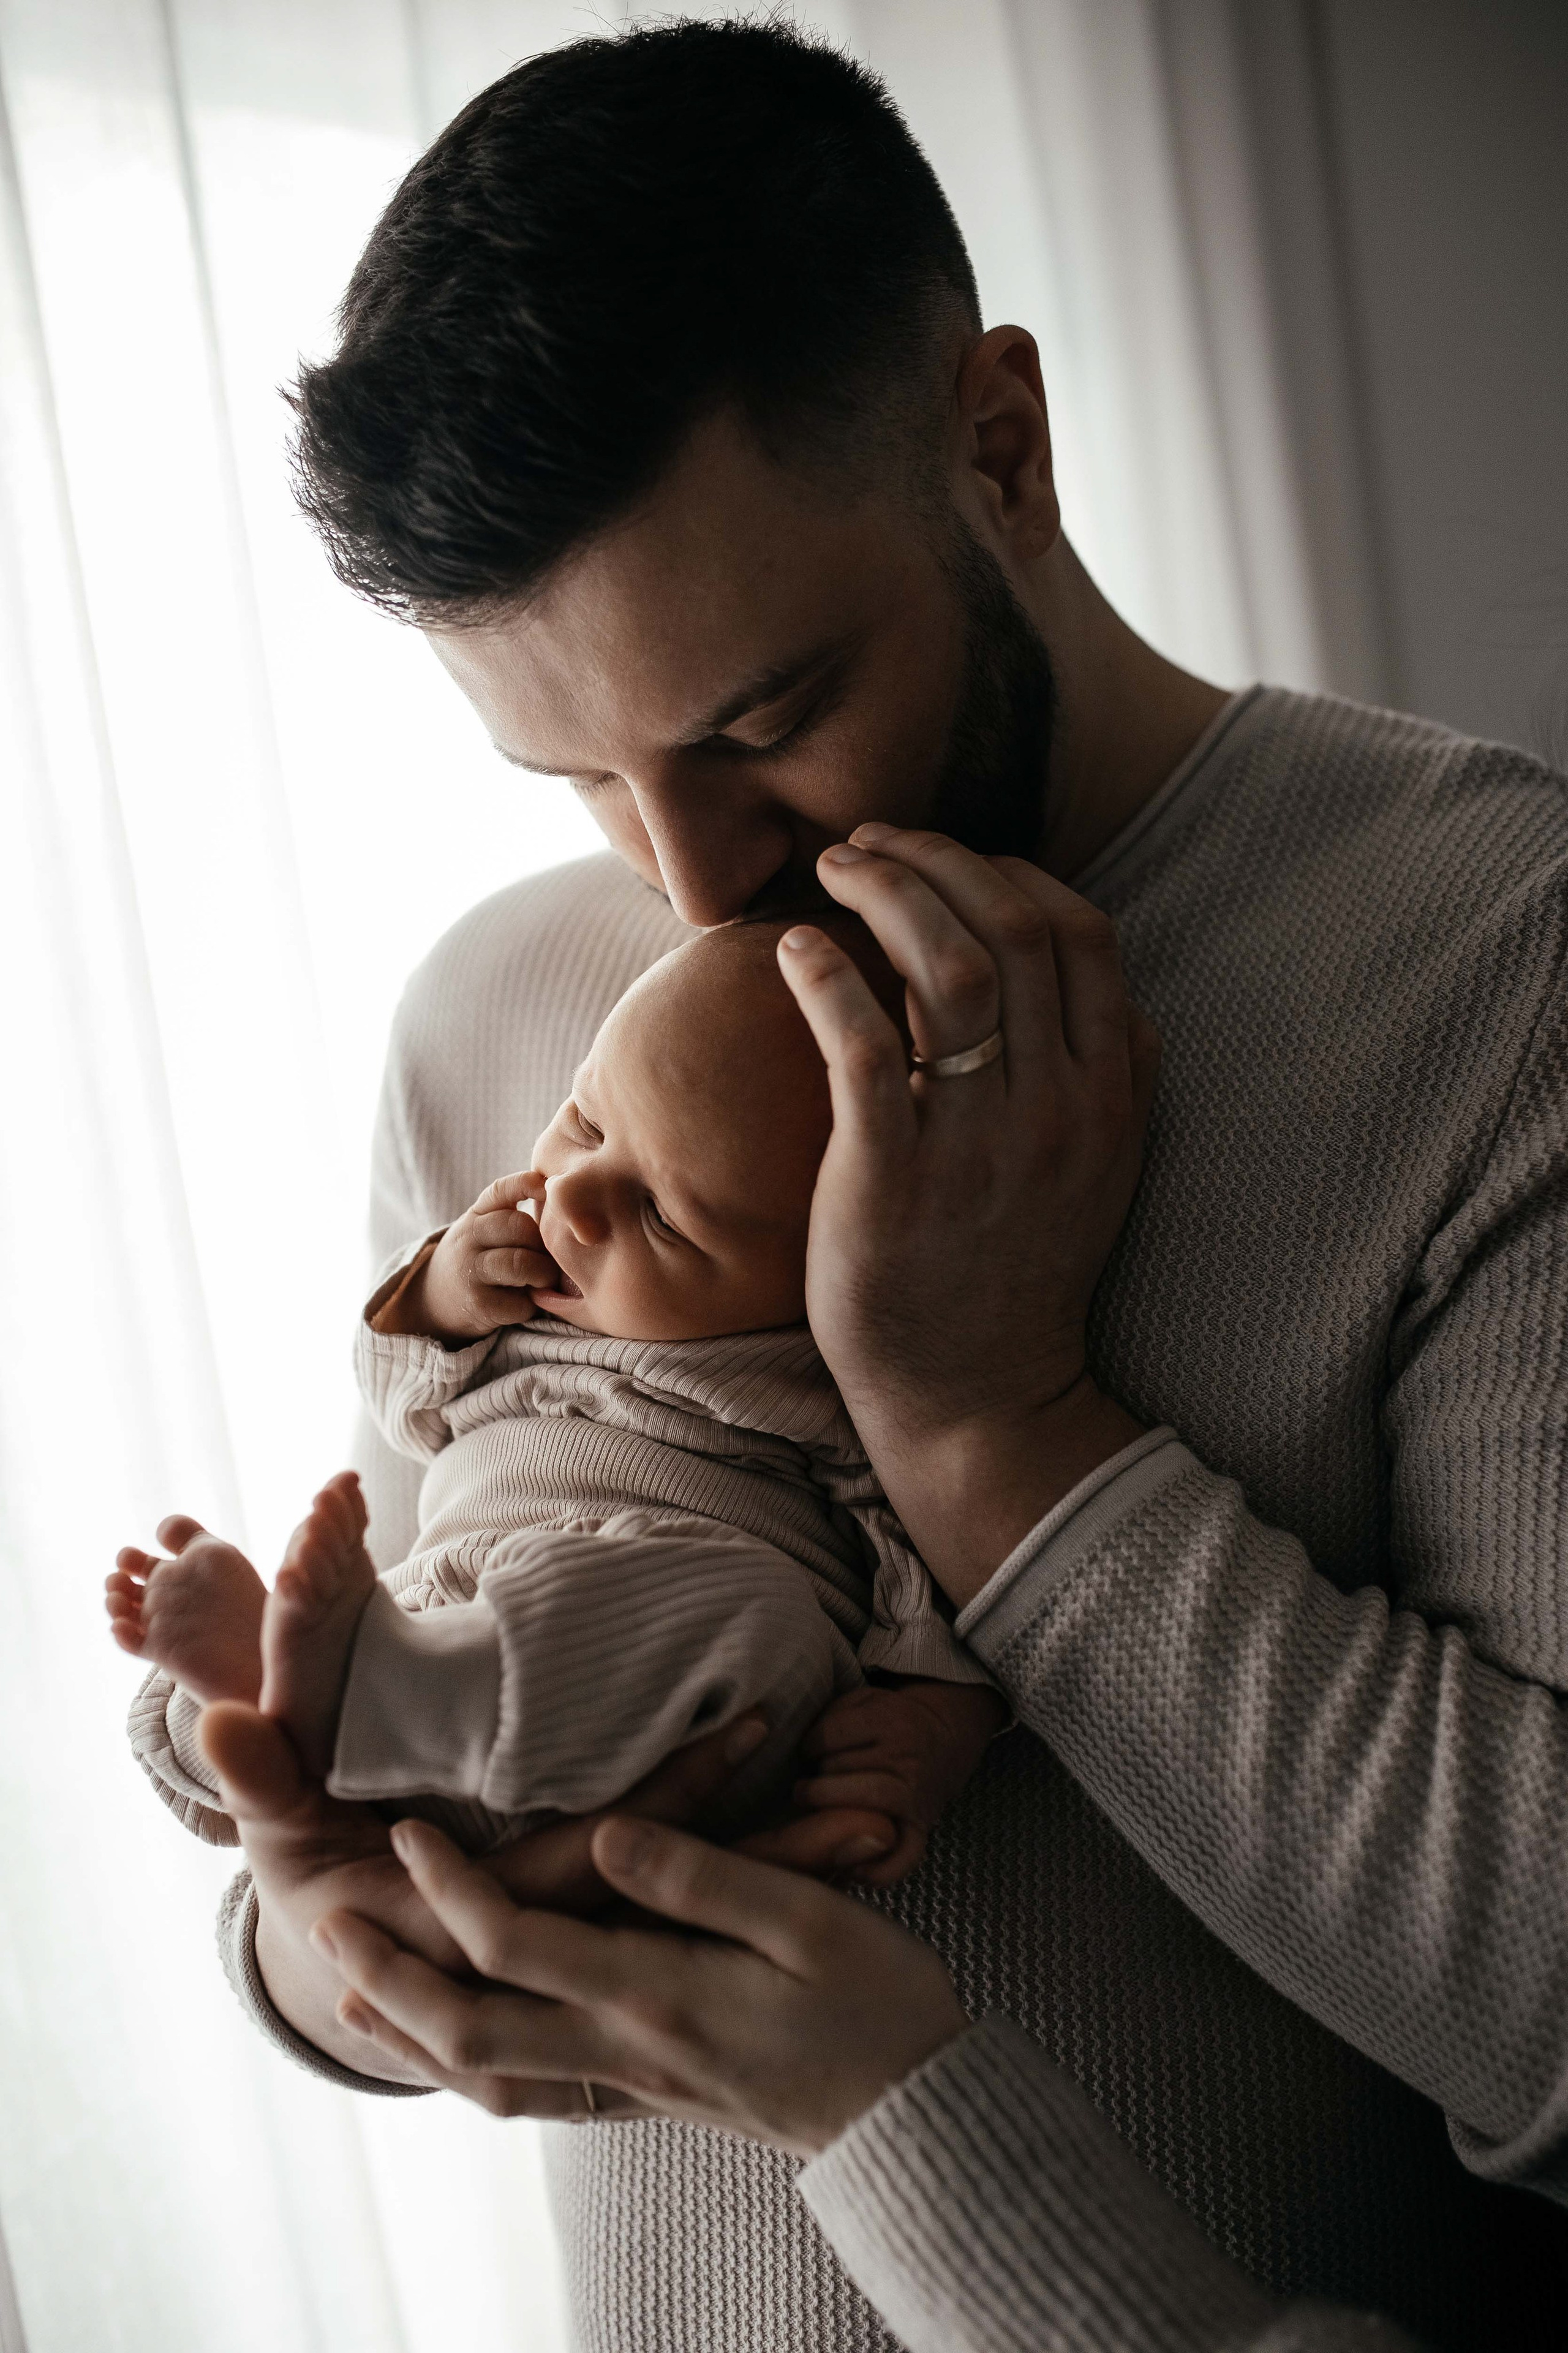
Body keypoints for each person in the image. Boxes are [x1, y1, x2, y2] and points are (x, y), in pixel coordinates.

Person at [157, 17, 1568, 2350]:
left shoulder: (1495, 963)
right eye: (579, 779)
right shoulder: (500, 1017)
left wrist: (991, 1422)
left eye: (756, 722)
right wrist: (336, 1949)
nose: (692, 886)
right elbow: (419, 1674)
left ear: (998, 448)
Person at [110, 918, 1004, 1865]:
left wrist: (935, 1734)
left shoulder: (830, 1389)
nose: (572, 1196)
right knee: (213, 1693)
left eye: (663, 1216)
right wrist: (440, 1294)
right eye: (585, 1123)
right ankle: (292, 1697)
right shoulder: (511, 1308)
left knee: (759, 1613)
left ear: (829, 1271)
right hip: (453, 1616)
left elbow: (931, 1597)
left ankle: (348, 1695)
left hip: (644, 1718)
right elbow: (405, 1403)